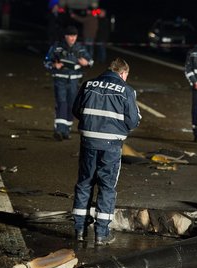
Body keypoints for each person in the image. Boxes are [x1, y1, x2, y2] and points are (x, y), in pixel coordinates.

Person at [72, 57, 141, 246]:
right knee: (106, 187)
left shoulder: (88, 85)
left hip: (88, 141)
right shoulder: (126, 90)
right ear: (123, 73)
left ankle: (79, 230)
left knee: (84, 183)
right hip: (111, 145)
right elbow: (133, 121)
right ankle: (101, 233)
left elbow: (76, 110)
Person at [44, 25, 93, 141]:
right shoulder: (56, 47)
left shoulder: (80, 48)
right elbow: (46, 62)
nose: (72, 38)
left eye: (74, 36)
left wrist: (86, 62)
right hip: (60, 79)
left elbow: (91, 61)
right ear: (65, 36)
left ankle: (66, 130)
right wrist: (53, 65)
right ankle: (59, 130)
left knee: (71, 105)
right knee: (61, 103)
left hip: (74, 81)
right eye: (70, 36)